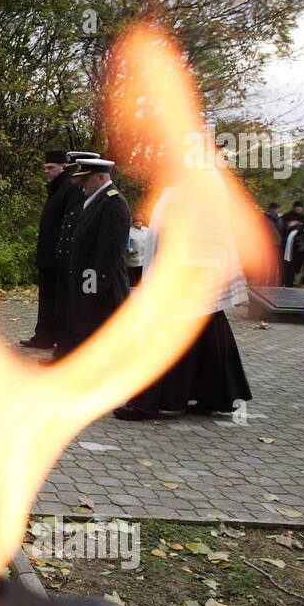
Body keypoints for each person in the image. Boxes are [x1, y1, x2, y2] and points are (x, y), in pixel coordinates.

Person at [113, 170, 252, 421]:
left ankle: (152, 401)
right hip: (189, 267)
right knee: (208, 333)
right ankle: (216, 396)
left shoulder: (203, 178)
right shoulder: (188, 178)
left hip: (188, 268)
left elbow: (201, 230)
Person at [56, 157, 131, 358]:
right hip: (89, 281)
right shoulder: (97, 200)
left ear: (100, 177)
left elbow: (109, 253)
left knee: (102, 334)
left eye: (85, 181)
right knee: (88, 330)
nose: (82, 186)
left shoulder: (113, 203)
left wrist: (96, 287)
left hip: (102, 287)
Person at [20, 150, 81, 349]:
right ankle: (44, 335)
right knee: (47, 297)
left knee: (55, 298)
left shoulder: (69, 187)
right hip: (49, 253)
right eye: (45, 168)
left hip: (57, 255)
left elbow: (67, 224)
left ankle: (50, 336)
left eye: (51, 167)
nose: (46, 171)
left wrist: (59, 252)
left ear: (63, 167)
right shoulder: (57, 187)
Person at [46, 150, 100, 360]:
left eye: (78, 172)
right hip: (70, 260)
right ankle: (64, 353)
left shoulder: (103, 199)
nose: (75, 177)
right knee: (67, 311)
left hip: (86, 267)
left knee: (81, 314)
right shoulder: (79, 192)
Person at [127, 213, 148, 286]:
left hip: (143, 261)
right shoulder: (129, 231)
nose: (138, 222)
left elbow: (151, 241)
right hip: (133, 261)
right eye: (136, 221)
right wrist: (130, 250)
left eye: (140, 221)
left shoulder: (146, 230)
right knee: (132, 282)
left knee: (141, 281)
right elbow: (126, 244)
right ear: (133, 222)